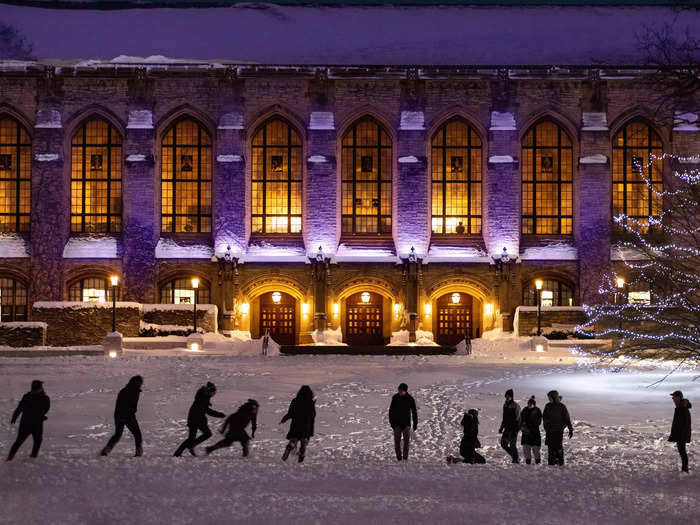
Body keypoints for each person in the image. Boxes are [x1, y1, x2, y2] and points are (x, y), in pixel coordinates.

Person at [174, 382, 225, 457]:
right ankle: (178, 453)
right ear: (210, 391)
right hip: (194, 420)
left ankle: (192, 445)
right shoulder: (202, 398)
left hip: (200, 420)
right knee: (191, 438)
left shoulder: (205, 397)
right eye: (214, 392)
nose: (214, 394)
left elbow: (205, 409)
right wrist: (219, 414)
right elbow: (207, 410)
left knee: (207, 434)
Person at [7, 380, 50, 461]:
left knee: (20, 441)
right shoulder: (45, 398)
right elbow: (46, 409)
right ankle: (32, 456)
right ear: (41, 388)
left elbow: (20, 408)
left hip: (26, 423)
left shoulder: (27, 396)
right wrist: (41, 416)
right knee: (37, 441)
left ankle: (10, 458)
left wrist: (15, 416)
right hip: (36, 424)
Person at [101, 375, 144, 457]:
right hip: (128, 416)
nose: (141, 384)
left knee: (117, 435)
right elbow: (131, 405)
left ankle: (106, 450)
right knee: (137, 434)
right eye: (140, 383)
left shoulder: (124, 390)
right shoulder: (134, 391)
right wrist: (132, 411)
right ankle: (139, 453)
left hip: (118, 416)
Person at [280, 385, 316, 463]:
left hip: (295, 425)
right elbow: (313, 417)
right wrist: (311, 431)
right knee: (303, 444)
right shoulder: (310, 402)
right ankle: (300, 461)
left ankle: (289, 447)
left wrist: (284, 419)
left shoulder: (295, 400)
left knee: (294, 440)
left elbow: (290, 413)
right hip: (306, 426)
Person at [543, 390, 573, 466]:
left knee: (558, 447)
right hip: (550, 430)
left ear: (554, 397)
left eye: (550, 397)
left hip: (558, 430)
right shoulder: (548, 406)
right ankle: (551, 462)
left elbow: (567, 418)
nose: (549, 399)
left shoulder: (562, 406)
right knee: (550, 447)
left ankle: (560, 462)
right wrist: (546, 426)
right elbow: (544, 417)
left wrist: (570, 429)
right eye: (548, 397)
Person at [388, 383, 418, 461]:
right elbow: (391, 411)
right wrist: (392, 423)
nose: (400, 392)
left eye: (401, 390)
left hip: (406, 424)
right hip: (396, 424)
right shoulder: (395, 397)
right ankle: (399, 459)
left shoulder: (410, 399)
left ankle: (405, 459)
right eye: (399, 390)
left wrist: (415, 424)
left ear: (405, 391)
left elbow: (414, 412)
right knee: (397, 443)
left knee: (406, 443)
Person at [668, 390, 692, 473]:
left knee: (682, 451)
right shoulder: (680, 408)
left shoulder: (683, 409)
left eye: (674, 396)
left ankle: (685, 470)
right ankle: (684, 469)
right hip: (680, 435)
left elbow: (685, 424)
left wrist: (681, 435)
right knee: (682, 451)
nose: (672, 398)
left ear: (678, 397)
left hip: (681, 435)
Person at [498, 389, 521, 463]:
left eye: (509, 396)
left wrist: (516, 430)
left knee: (512, 445)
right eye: (506, 396)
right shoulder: (505, 405)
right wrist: (501, 427)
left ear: (512, 397)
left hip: (514, 428)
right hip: (507, 428)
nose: (507, 397)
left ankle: (515, 459)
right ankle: (515, 456)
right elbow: (504, 417)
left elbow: (518, 418)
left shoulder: (516, 405)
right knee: (503, 444)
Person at [520, 395, 542, 465]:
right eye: (528, 404)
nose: (529, 405)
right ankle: (528, 463)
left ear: (534, 405)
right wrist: (523, 427)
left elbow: (538, 422)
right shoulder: (524, 410)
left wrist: (529, 426)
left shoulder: (537, 410)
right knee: (526, 449)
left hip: (535, 433)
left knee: (536, 450)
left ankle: (538, 463)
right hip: (526, 434)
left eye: (531, 404)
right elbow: (520, 420)